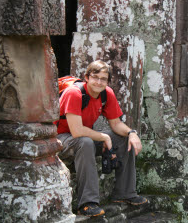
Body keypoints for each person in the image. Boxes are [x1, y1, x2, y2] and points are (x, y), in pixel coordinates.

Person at [56, 60, 147, 217]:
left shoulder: (106, 94)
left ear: (108, 81)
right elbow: (76, 131)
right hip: (58, 140)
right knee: (85, 142)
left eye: (103, 79)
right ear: (87, 77)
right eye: (95, 77)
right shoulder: (74, 93)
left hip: (82, 136)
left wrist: (132, 133)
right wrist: (103, 137)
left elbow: (116, 124)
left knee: (123, 138)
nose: (99, 82)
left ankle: (125, 193)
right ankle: (87, 203)